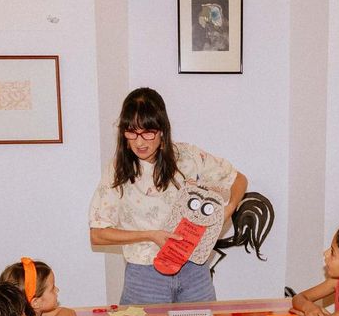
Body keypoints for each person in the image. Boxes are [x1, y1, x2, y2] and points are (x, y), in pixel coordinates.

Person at [88, 87, 249, 304]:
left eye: (147, 132)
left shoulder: (188, 156)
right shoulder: (118, 170)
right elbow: (98, 234)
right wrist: (151, 235)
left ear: (162, 129)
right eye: (131, 132)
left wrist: (228, 209)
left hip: (194, 270)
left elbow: (239, 180)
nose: (139, 142)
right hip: (144, 276)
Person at [0, 257, 75, 316]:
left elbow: (70, 313)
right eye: (52, 288)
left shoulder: (36, 314)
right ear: (35, 302)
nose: (57, 290)